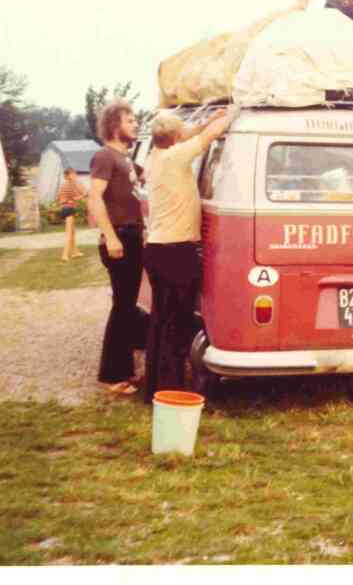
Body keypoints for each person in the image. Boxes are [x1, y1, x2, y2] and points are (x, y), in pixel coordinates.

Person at [142, 105, 239, 403]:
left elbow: (190, 133)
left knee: (159, 320)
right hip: (177, 251)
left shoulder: (155, 157)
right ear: (174, 137)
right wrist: (230, 115)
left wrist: (206, 120)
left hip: (157, 249)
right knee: (177, 323)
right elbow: (208, 137)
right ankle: (172, 390)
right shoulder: (175, 158)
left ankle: (155, 388)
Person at [87, 98, 145, 396]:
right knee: (122, 307)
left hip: (133, 236)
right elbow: (94, 198)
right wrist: (110, 237)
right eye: (129, 119)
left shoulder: (127, 160)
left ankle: (124, 370)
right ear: (114, 125)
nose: (135, 122)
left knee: (127, 305)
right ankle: (111, 376)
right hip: (120, 237)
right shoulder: (105, 157)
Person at [57, 167, 86, 262]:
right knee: (69, 234)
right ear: (69, 175)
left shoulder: (63, 185)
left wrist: (70, 199)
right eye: (74, 174)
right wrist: (81, 196)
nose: (76, 175)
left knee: (72, 233)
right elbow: (81, 194)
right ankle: (64, 255)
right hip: (69, 209)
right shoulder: (72, 184)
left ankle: (75, 252)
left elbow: (60, 198)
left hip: (64, 209)